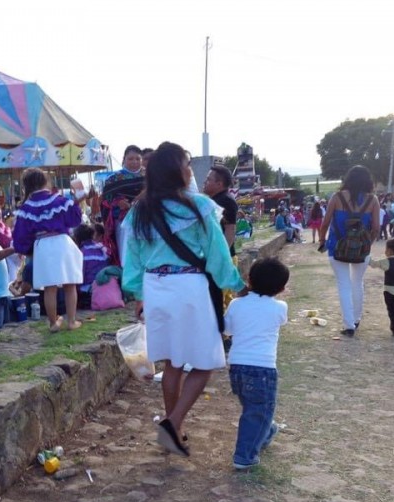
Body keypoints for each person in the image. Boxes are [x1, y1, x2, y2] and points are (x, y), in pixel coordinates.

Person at [122, 141, 245, 457]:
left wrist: (138, 294)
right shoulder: (200, 206)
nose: (191, 170)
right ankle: (172, 422)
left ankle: (174, 430)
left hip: (155, 288)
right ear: (178, 171)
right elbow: (218, 255)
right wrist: (237, 283)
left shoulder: (140, 210)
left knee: (172, 362)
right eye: (187, 164)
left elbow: (132, 259)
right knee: (206, 362)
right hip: (189, 285)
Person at [223, 257, 289, 470]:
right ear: (281, 288)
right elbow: (280, 320)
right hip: (262, 368)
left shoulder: (235, 303)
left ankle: (267, 431)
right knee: (258, 410)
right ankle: (244, 456)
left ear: (248, 279)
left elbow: (228, 330)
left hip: (237, 366)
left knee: (253, 407)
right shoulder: (280, 307)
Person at [13, 168, 84, 332]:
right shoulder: (58, 200)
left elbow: (21, 234)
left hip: (43, 244)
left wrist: (24, 249)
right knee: (70, 284)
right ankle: (72, 321)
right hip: (62, 242)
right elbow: (74, 219)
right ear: (46, 182)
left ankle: (53, 323)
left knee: (49, 287)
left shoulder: (26, 208)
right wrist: (78, 200)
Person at [318, 165, 380, 336]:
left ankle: (348, 325)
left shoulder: (337, 197)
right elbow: (376, 228)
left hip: (336, 247)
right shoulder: (373, 200)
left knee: (343, 285)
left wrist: (322, 241)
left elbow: (325, 223)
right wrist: (367, 244)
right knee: (357, 283)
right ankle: (356, 318)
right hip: (362, 249)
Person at [100, 145, 144, 265]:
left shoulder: (150, 176)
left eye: (137, 159)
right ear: (124, 159)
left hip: (147, 220)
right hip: (124, 222)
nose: (134, 162)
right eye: (131, 159)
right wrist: (117, 203)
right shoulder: (113, 179)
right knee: (126, 253)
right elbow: (105, 200)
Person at [203, 164, 239, 255]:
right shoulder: (215, 200)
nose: (204, 182)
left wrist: (221, 256)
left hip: (222, 259)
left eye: (208, 179)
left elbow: (230, 230)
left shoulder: (226, 201)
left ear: (219, 184)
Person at [73, 223, 110, 308]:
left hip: (88, 290)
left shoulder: (81, 253)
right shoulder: (102, 249)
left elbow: (80, 277)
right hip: (104, 285)